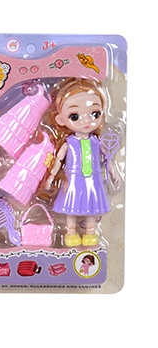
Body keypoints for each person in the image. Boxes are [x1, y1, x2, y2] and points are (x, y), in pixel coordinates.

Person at [44, 79, 116, 247]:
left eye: (94, 114)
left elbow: (107, 158)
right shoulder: (69, 142)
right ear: (61, 119)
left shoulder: (96, 141)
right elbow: (58, 159)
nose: (86, 121)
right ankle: (70, 232)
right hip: (73, 179)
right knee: (71, 207)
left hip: (93, 178)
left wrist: (112, 173)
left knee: (92, 206)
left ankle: (90, 232)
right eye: (75, 116)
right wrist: (51, 177)